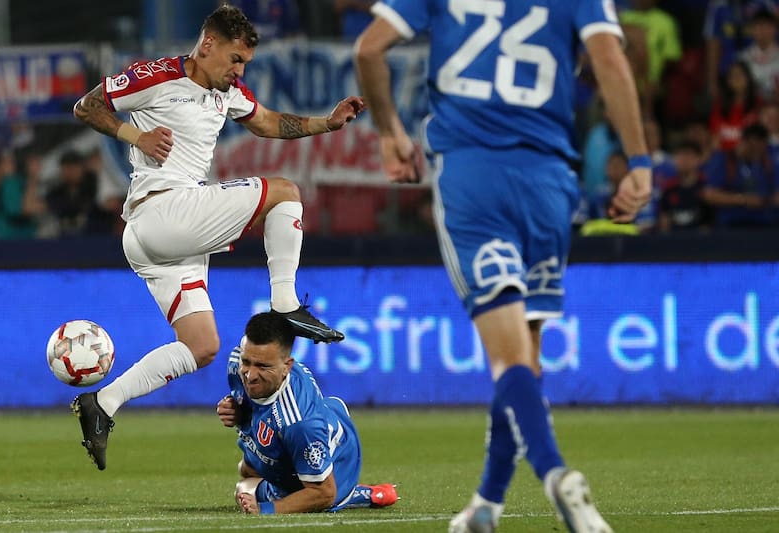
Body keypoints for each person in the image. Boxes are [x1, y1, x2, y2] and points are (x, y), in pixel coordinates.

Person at [354, 2, 652, 532]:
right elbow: (609, 58)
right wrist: (641, 161)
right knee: (527, 355)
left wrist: (387, 131)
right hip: (549, 182)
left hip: (473, 175)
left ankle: (556, 473)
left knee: (506, 358)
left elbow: (368, 48)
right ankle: (486, 507)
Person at [71, 4, 362, 471]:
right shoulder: (158, 76)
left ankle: (102, 403)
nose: (239, 70)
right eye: (234, 59)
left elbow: (266, 122)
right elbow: (87, 105)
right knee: (284, 193)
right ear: (207, 45)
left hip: (163, 240)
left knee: (202, 345)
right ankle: (285, 301)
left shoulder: (227, 93)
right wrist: (134, 135)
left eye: (245, 62)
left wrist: (324, 124)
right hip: (162, 213)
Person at [216, 312, 398, 514]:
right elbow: (245, 391)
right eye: (247, 362)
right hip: (315, 420)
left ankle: (354, 493)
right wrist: (238, 410)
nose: (250, 375)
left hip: (336, 460)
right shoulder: (236, 360)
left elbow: (324, 493)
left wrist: (266, 509)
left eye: (262, 366)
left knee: (244, 490)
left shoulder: (298, 422)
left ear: (287, 366)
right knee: (245, 470)